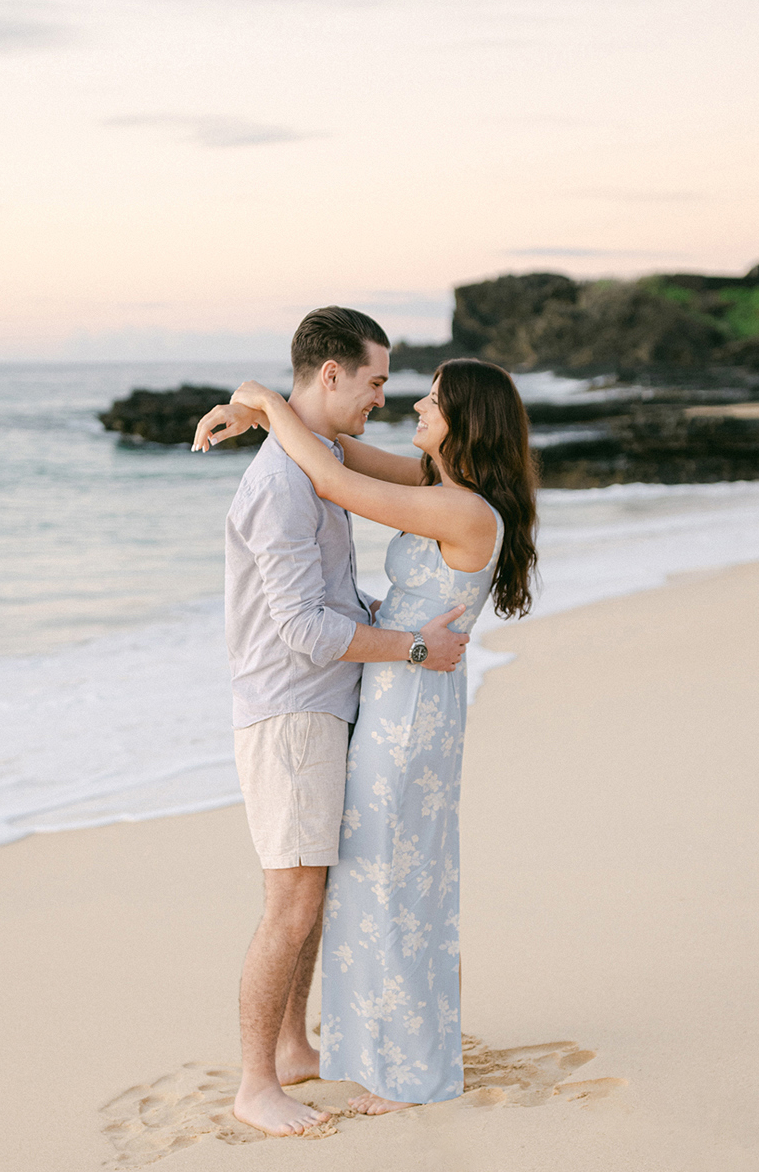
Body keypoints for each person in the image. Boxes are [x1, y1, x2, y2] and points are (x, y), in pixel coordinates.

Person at [197, 355, 537, 1117]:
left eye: (435, 399)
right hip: (393, 692)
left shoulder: (468, 512)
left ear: (466, 421)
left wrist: (257, 397)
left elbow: (335, 483)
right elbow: (337, 453)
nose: (415, 404)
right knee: (382, 875)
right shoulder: (437, 490)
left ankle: (406, 1072)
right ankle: (374, 1049)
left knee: (395, 880)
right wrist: (270, 412)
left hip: (410, 707)